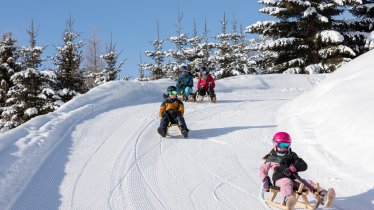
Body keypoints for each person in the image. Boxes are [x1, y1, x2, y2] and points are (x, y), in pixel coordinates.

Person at [260, 132, 335, 210]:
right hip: (280, 179)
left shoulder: (292, 155)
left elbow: (303, 165)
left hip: (294, 178)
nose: (284, 148)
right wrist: (266, 180)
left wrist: (292, 168)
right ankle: (288, 199)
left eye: (286, 145)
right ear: (275, 144)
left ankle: (324, 195)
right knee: (286, 182)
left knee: (308, 182)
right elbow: (263, 170)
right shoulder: (272, 157)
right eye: (281, 145)